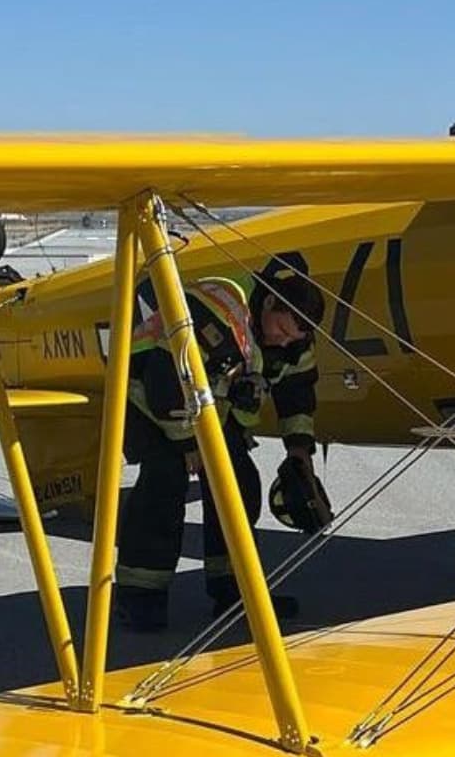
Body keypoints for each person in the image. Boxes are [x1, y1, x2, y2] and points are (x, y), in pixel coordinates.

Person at [114, 254, 328, 631]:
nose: (283, 338)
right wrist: (187, 446)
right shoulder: (219, 310)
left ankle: (234, 590)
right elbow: (166, 380)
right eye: (280, 327)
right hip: (149, 397)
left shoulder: (296, 337)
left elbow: (297, 393)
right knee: (165, 482)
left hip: (208, 404)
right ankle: (140, 595)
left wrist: (299, 452)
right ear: (269, 302)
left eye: (294, 336)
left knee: (239, 482)